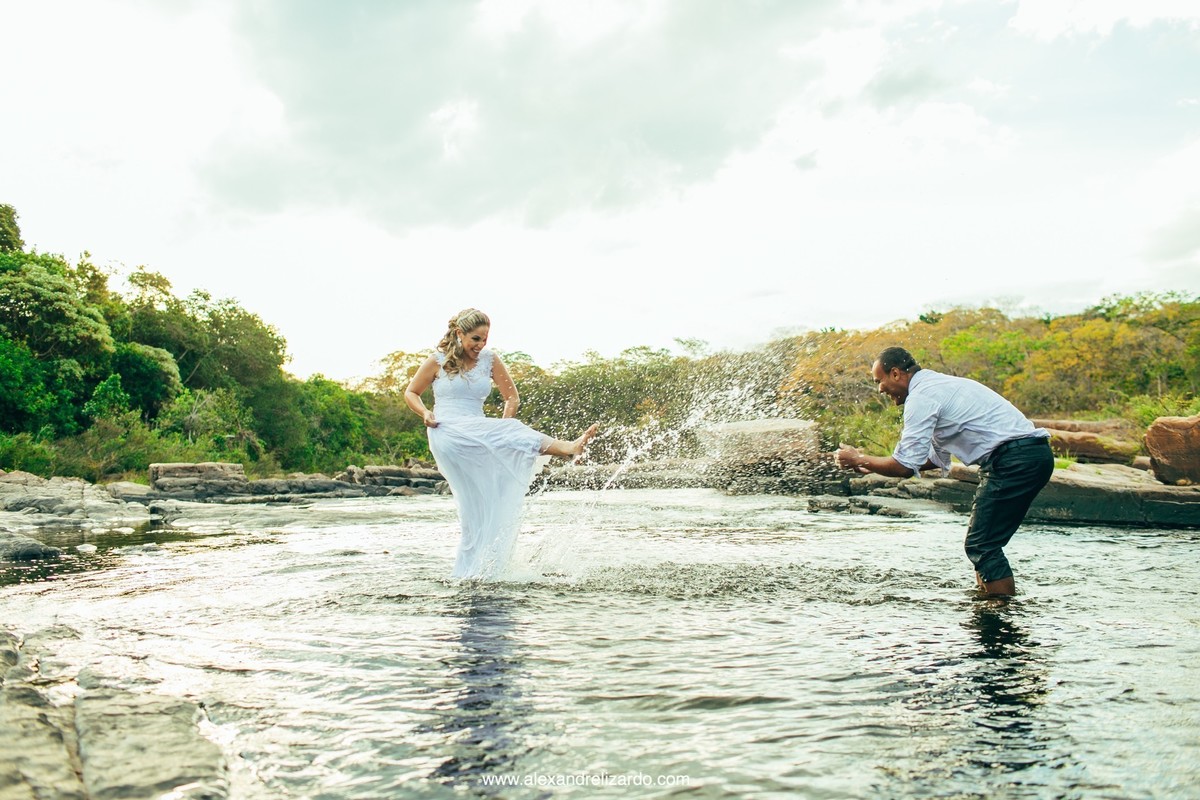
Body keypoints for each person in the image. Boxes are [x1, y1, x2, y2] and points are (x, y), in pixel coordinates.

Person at [835, 346, 1054, 597]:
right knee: (983, 544)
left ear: (895, 373)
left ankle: (999, 612)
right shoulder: (936, 386)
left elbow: (905, 466)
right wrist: (866, 463)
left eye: (879, 381)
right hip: (1028, 456)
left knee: (982, 544)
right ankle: (985, 599)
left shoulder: (922, 396)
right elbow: (929, 460)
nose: (880, 389)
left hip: (1014, 460)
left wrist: (859, 458)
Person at [405, 308, 598, 579]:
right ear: (459, 334)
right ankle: (567, 448)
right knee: (513, 433)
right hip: (446, 431)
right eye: (475, 339)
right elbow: (411, 392)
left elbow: (512, 398)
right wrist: (425, 412)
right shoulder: (436, 361)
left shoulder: (490, 360)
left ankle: (475, 571)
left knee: (482, 503)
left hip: (478, 431)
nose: (480, 345)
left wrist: (504, 426)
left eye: (485, 339)